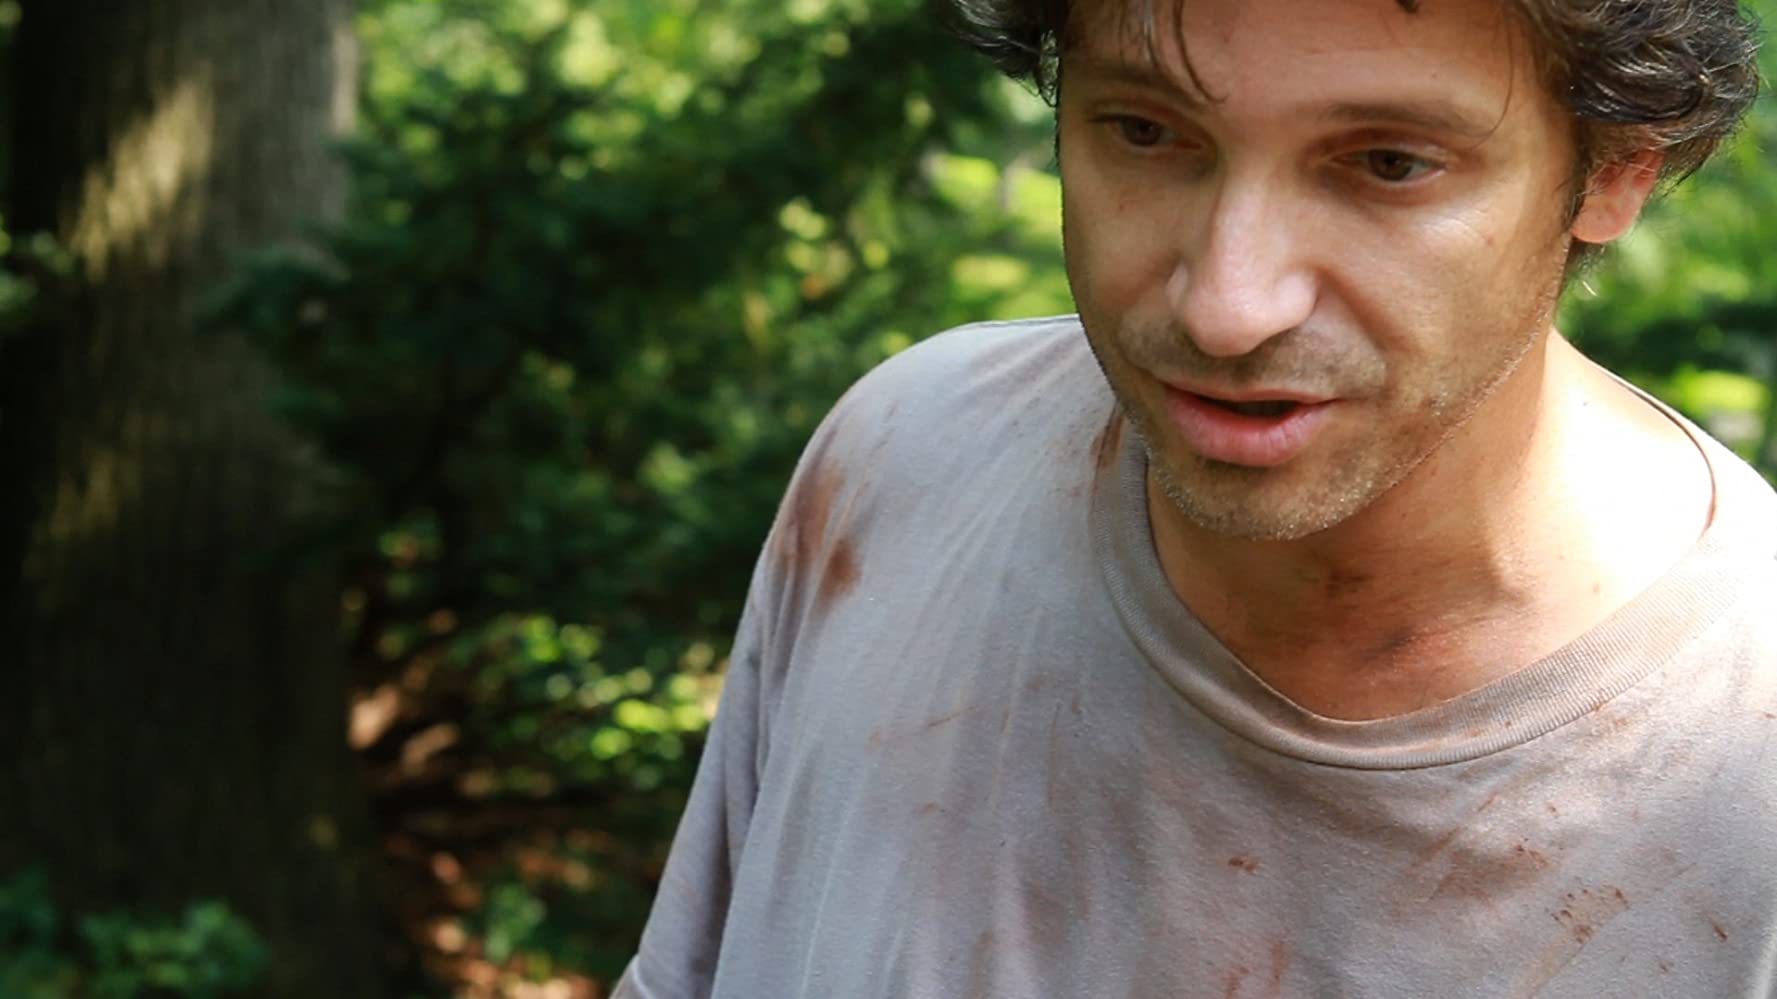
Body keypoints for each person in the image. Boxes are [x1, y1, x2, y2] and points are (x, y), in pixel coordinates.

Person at [615, 0, 1773, 995]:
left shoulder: (1741, 752)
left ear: (1618, 167)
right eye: (1145, 131)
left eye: (1388, 162)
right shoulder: (906, 455)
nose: (1227, 306)